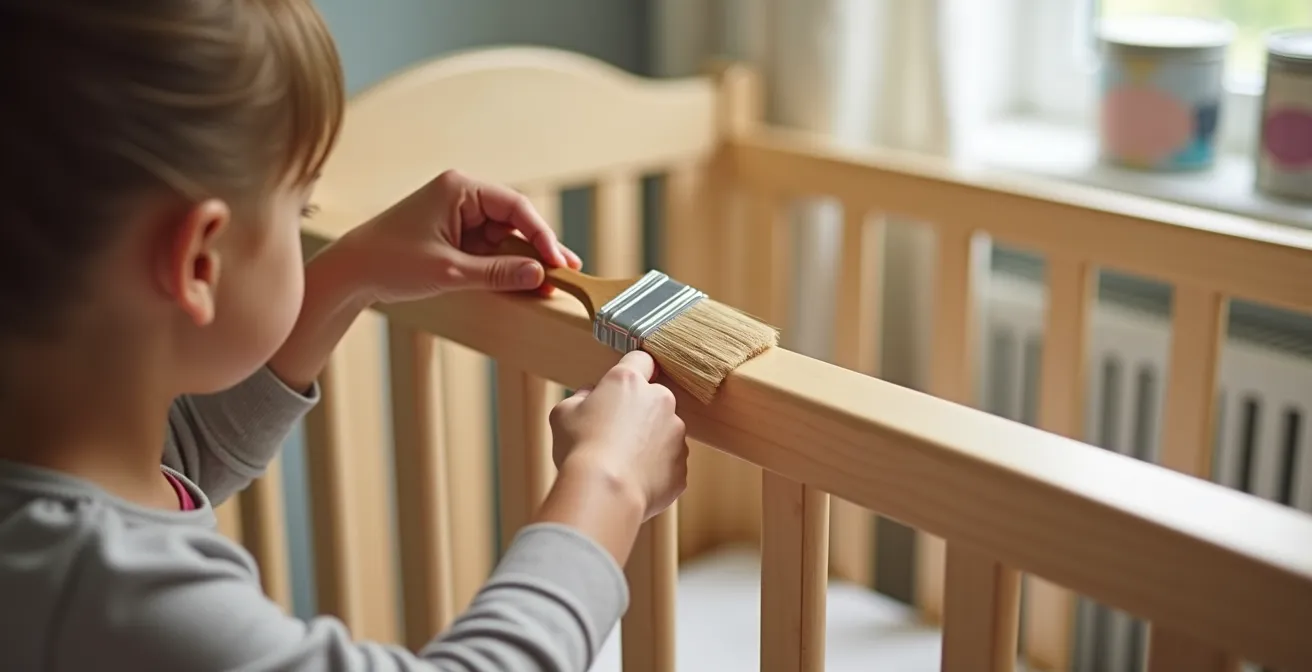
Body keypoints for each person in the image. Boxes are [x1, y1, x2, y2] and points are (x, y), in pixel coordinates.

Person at [0, 1, 690, 670]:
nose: (305, 227)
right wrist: (607, 483)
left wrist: (352, 271)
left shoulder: (53, 481)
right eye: (300, 209)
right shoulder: (106, 593)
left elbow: (180, 464)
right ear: (200, 262)